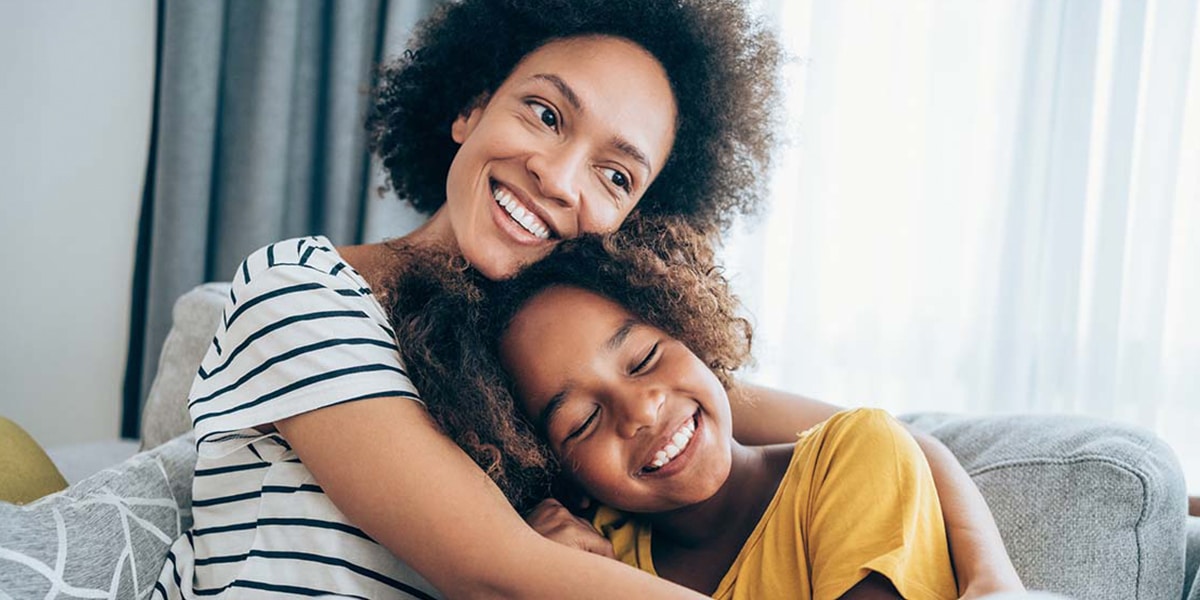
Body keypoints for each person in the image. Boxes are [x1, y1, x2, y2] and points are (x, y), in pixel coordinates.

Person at [153, 0, 1021, 598]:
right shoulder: (302, 288)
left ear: (632, 217)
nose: (558, 178)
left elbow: (879, 435)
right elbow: (490, 573)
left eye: (615, 173)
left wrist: (995, 579)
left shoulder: (548, 368)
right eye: (544, 115)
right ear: (469, 104)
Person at [386, 221, 961, 599]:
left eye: (644, 359)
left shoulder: (854, 455)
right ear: (561, 474)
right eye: (582, 422)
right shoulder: (593, 560)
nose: (638, 412)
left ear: (692, 332)